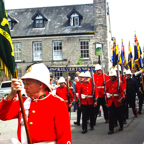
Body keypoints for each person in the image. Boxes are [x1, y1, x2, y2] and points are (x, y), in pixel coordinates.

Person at [0, 63, 72, 144]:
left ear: (40, 84)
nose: (24, 87)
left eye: (28, 84)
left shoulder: (57, 103)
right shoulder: (23, 102)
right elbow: (2, 115)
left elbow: (64, 136)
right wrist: (12, 93)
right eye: (24, 83)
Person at [105, 69, 124, 134]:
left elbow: (122, 92)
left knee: (119, 115)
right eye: (110, 76)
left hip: (117, 101)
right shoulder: (107, 82)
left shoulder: (119, 82)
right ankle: (111, 129)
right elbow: (106, 92)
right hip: (110, 101)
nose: (111, 77)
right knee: (111, 116)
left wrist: (121, 99)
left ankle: (121, 126)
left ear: (115, 76)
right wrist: (106, 101)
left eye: (112, 76)